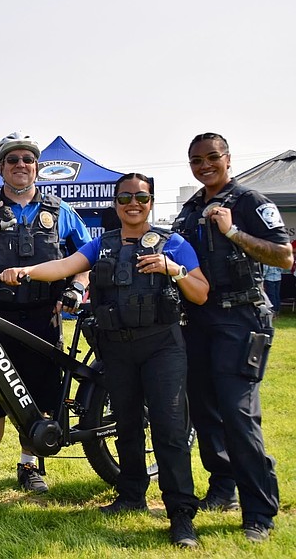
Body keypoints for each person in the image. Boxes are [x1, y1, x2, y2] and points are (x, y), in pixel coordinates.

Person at [2, 173, 208, 548]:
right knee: (126, 424)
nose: (133, 203)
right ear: (115, 203)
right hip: (115, 347)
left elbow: (201, 292)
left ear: (151, 202)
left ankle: (180, 514)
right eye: (126, 197)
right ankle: (131, 495)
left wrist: (172, 269)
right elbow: (64, 266)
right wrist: (27, 271)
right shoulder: (103, 244)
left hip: (162, 346)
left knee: (169, 430)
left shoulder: (172, 243)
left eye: (142, 198)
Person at [0, 131, 91, 505]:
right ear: (1, 168)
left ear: (37, 167)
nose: (21, 166)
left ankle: (30, 465)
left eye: (28, 160)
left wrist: (77, 287)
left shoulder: (61, 212)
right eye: (12, 160)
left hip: (45, 316)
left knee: (43, 393)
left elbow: (89, 258)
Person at [172, 132, 292, 543]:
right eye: (196, 160)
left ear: (227, 158)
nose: (204, 165)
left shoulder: (249, 202)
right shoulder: (189, 209)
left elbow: (284, 255)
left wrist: (235, 233)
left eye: (211, 157)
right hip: (198, 319)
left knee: (238, 413)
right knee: (204, 411)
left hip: (242, 319)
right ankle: (223, 488)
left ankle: (259, 510)